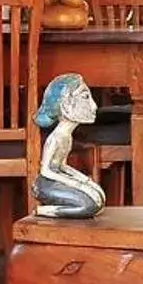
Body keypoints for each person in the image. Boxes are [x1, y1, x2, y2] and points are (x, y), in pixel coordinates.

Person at [31, 73, 106, 219]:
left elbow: (62, 166)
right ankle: (46, 211)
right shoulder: (56, 138)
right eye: (85, 97)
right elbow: (45, 170)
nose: (94, 105)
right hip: (46, 184)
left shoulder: (67, 136)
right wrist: (75, 183)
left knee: (99, 197)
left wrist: (84, 180)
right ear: (65, 105)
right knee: (90, 205)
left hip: (58, 178)